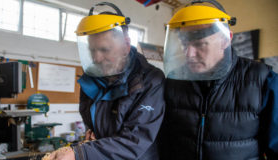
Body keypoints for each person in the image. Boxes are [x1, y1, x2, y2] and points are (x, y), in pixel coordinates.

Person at [44, 2, 165, 160]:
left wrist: (80, 153)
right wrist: (92, 136)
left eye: (104, 49)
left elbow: (134, 141)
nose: (96, 58)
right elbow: (94, 124)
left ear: (126, 46)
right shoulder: (92, 79)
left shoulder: (150, 81)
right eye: (92, 50)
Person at [159, 0, 278, 159]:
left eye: (200, 44)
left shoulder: (262, 80)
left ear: (225, 40)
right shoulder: (174, 81)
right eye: (184, 44)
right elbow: (165, 141)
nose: (189, 54)